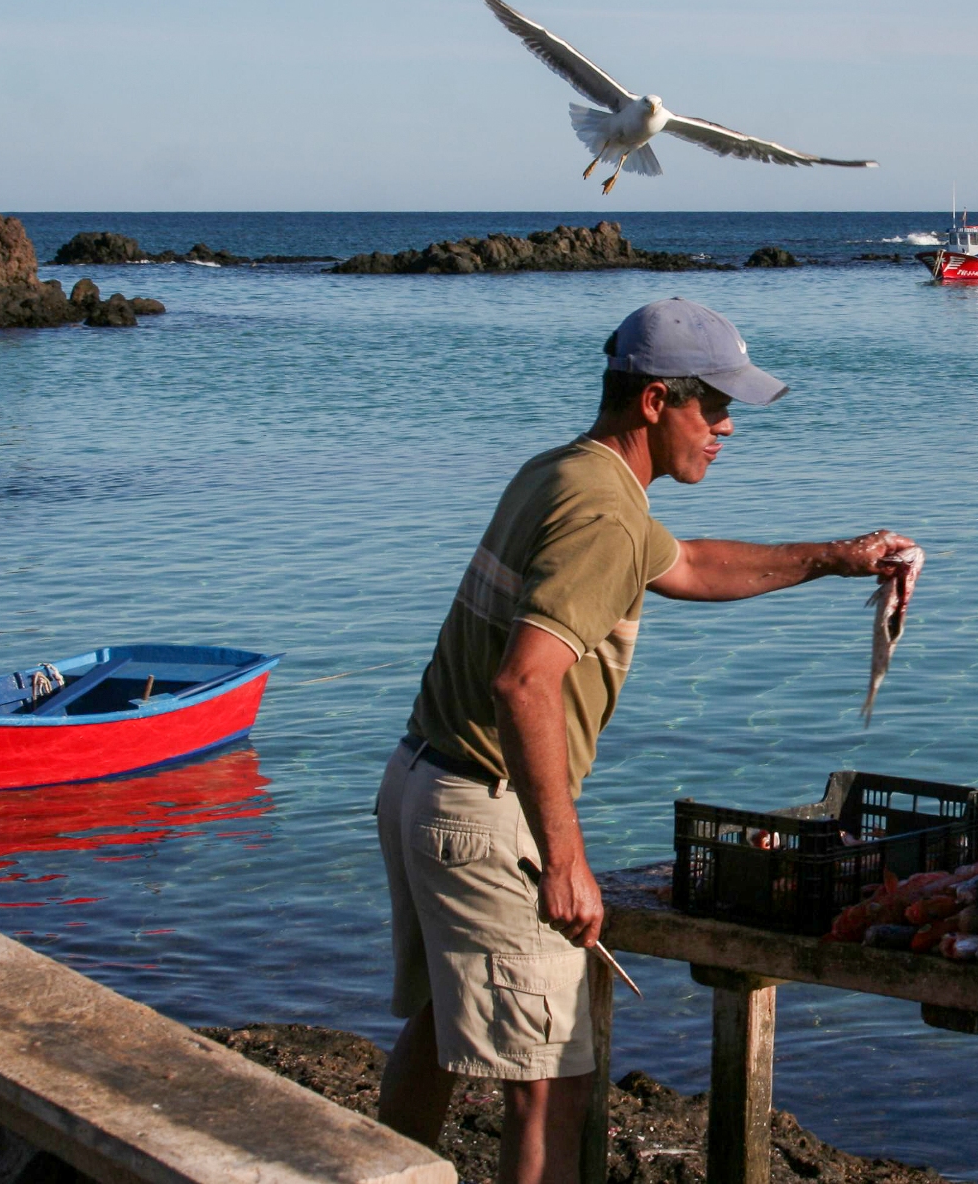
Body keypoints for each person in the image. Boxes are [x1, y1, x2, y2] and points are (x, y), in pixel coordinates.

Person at [376, 298, 917, 1183]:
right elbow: (525, 680)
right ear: (658, 401)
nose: (730, 428)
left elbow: (688, 564)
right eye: (716, 407)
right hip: (484, 806)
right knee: (552, 1087)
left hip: (420, 780)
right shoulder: (605, 517)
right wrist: (563, 854)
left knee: (442, 1027)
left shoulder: (567, 473)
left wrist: (836, 557)